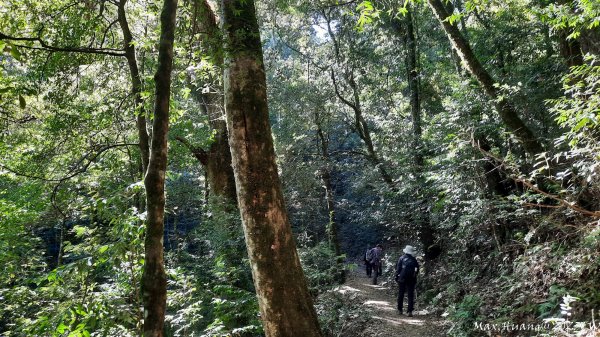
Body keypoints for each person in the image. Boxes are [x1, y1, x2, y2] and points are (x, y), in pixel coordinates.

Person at [395, 245, 419, 317]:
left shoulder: (401, 258)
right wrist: (414, 275)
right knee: (410, 294)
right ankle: (410, 311)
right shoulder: (414, 259)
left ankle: (400, 310)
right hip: (411, 279)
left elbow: (398, 269)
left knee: (401, 293)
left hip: (402, 278)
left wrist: (397, 276)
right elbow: (417, 269)